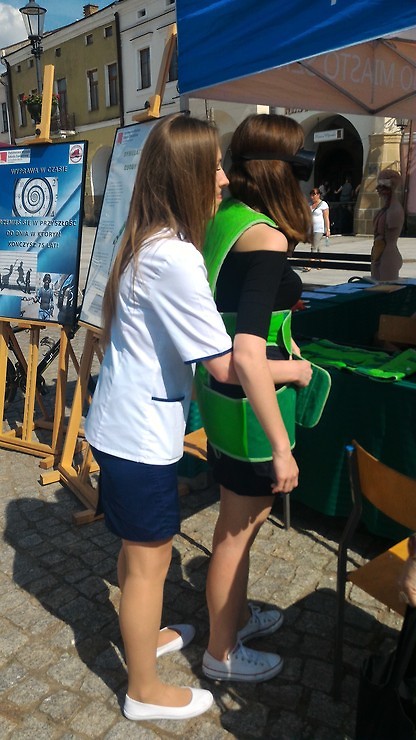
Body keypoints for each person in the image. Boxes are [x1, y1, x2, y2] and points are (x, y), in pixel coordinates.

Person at [84, 114, 240, 722]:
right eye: (215, 167)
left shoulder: (144, 238)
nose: (223, 178)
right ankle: (143, 690)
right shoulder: (174, 256)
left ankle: (142, 639)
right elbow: (222, 364)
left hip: (120, 425)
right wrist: (291, 370)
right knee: (150, 562)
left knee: (136, 552)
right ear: (188, 176)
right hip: (139, 435)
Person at [199, 113, 313, 683]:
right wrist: (283, 444)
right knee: (236, 532)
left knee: (234, 520)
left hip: (221, 398)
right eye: (300, 164)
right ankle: (220, 653)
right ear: (280, 170)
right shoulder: (266, 234)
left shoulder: (225, 218)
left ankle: (236, 618)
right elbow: (248, 354)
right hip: (250, 403)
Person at [371, 169, 405, 281]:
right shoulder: (384, 210)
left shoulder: (394, 210)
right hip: (379, 252)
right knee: (377, 282)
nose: (377, 189)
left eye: (382, 187)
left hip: (388, 255)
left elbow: (390, 235)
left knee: (385, 284)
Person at [302, 188, 330, 271]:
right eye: (311, 195)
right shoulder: (310, 204)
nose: (312, 197)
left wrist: (328, 229)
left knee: (313, 246)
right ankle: (322, 262)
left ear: (318, 195)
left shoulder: (323, 204)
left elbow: (326, 218)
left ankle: (310, 264)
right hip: (311, 229)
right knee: (317, 246)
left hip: (319, 229)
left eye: (314, 195)